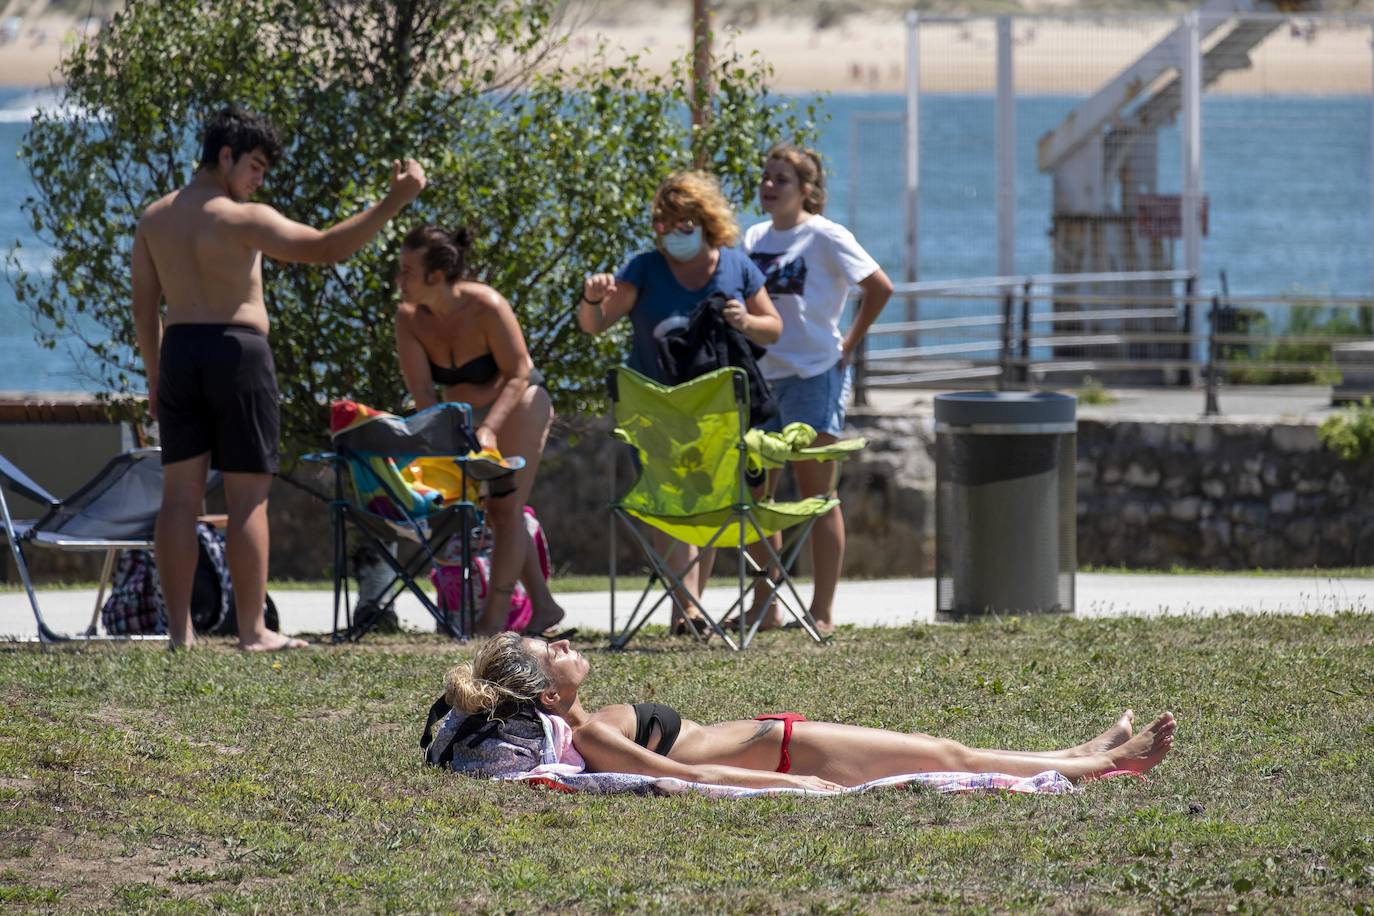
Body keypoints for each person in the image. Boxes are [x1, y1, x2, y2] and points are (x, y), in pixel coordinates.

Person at [132, 106, 426, 650]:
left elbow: (144, 307)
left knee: (178, 498)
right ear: (226, 156)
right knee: (248, 499)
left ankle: (180, 634)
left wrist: (155, 375)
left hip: (179, 354)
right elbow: (324, 248)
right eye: (256, 167)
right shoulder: (243, 218)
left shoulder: (154, 219)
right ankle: (252, 631)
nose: (258, 180)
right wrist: (394, 202)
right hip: (237, 354)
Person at [444, 633, 1178, 791]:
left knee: (943, 746)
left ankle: (1077, 755)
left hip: (784, 740)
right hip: (791, 754)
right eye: (551, 647)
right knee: (945, 754)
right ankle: (1102, 762)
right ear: (549, 695)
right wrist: (798, 786)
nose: (566, 641)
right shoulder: (595, 733)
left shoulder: (585, 724)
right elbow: (681, 778)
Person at [578, 171, 783, 635]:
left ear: (705, 221)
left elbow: (773, 328)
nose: (672, 232)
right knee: (670, 507)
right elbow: (595, 324)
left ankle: (702, 611)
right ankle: (686, 611)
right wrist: (591, 299)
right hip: (656, 414)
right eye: (663, 223)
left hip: (720, 418)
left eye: (682, 222)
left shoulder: (735, 266)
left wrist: (744, 320)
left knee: (713, 505)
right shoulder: (644, 268)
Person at [740, 145, 895, 636]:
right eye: (766, 177)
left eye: (781, 179)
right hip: (762, 378)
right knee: (760, 496)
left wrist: (848, 343)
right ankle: (765, 605)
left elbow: (879, 287)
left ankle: (822, 610)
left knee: (817, 496)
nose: (769, 185)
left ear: (806, 189)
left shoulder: (826, 235)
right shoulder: (753, 237)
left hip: (814, 376)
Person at [394, 224, 565, 637]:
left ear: (436, 276)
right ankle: (544, 607)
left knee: (505, 509)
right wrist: (438, 436)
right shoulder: (408, 318)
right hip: (463, 413)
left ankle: (493, 622)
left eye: (407, 270)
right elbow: (421, 390)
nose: (399, 279)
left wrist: (489, 429)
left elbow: (519, 372)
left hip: (520, 401)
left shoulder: (486, 305)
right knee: (493, 510)